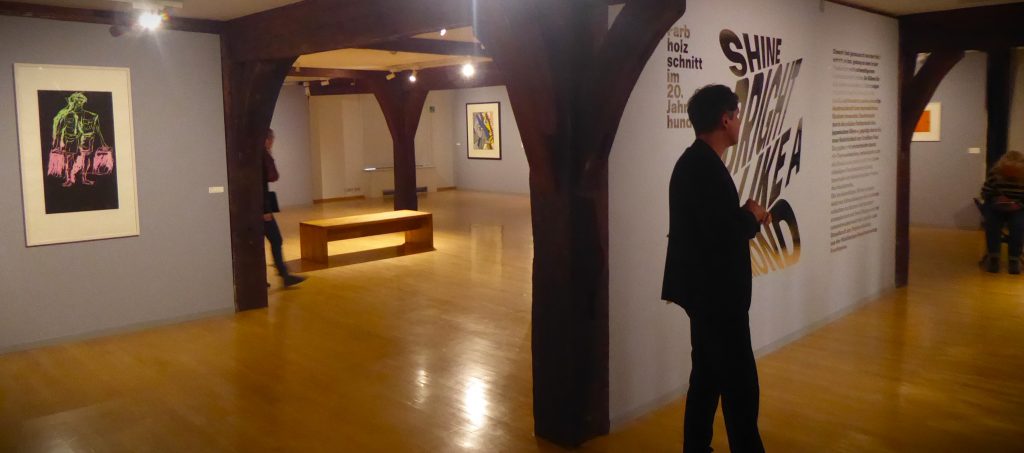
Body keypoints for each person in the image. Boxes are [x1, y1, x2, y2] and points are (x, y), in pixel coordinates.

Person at [662, 84, 771, 453]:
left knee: (707, 379)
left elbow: (712, 227)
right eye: (737, 116)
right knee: (740, 388)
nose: (740, 123)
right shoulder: (703, 169)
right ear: (725, 119)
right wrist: (751, 216)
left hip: (706, 296)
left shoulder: (696, 163)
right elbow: (722, 235)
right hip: (718, 299)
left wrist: (744, 216)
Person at [263, 129, 306, 288]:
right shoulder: (262, 155)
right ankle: (284, 275)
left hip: (258, 207)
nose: (272, 142)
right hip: (261, 209)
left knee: (267, 242)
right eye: (271, 139)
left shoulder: (256, 155)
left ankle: (277, 275)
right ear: (267, 139)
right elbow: (272, 176)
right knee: (276, 239)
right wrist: (265, 210)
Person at [980, 150, 1024, 274]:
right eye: (1008, 171)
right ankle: (994, 257)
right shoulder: (995, 174)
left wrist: (1018, 204)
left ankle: (1014, 259)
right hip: (996, 206)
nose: (1010, 174)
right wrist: (996, 198)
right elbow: (985, 193)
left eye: (1014, 171)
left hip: (1018, 208)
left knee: (1018, 225)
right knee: (992, 224)